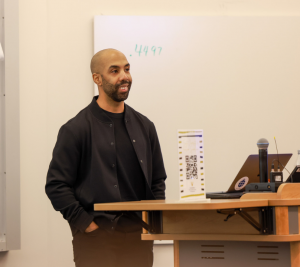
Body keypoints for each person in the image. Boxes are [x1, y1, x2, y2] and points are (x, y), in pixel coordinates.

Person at [45, 49, 167, 267]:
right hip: (95, 240)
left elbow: (157, 180)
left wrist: (153, 222)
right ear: (97, 79)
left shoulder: (145, 126)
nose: (124, 76)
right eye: (115, 70)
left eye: (127, 69)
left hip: (138, 237)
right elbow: (56, 186)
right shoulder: (76, 129)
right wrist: (87, 224)